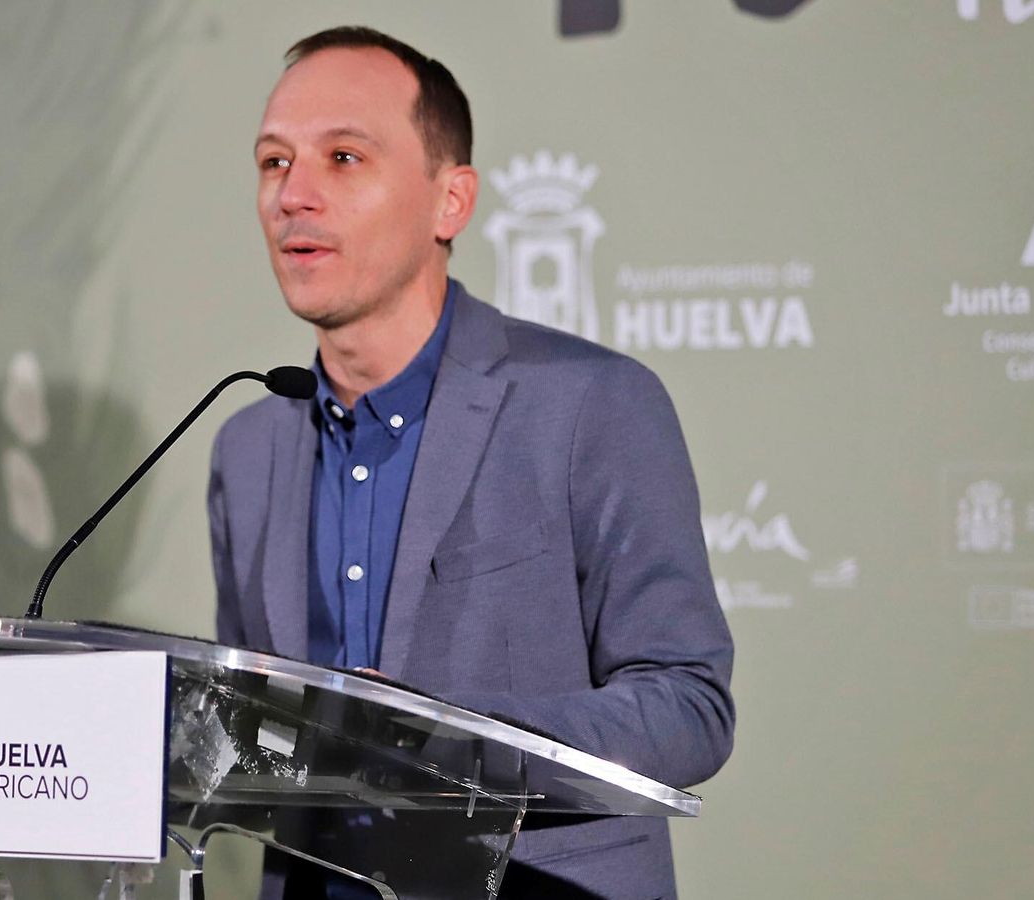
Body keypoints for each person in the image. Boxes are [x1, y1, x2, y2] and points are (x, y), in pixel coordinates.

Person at [208, 25, 735, 899]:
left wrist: (443, 742)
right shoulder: (247, 446)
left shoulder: (591, 405)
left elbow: (689, 707)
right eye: (272, 163)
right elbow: (240, 736)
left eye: (342, 157)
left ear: (450, 202)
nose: (293, 194)